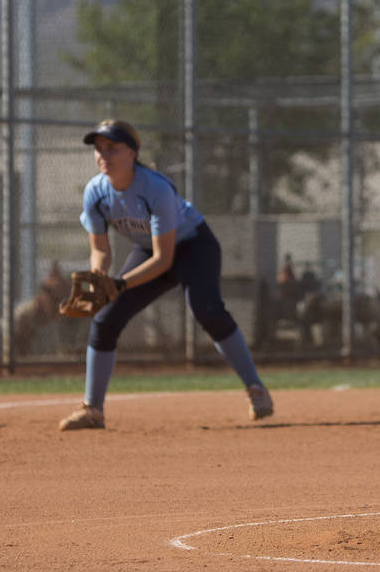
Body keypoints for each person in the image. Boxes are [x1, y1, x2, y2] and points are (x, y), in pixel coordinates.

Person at [58, 119, 274, 430]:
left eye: (112, 148)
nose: (103, 155)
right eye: (99, 149)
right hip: (151, 251)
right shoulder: (95, 192)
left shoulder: (155, 188)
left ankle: (256, 390)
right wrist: (98, 275)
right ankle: (92, 410)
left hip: (193, 246)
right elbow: (101, 250)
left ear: (132, 153)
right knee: (105, 319)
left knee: (207, 310)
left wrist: (119, 284)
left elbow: (165, 258)